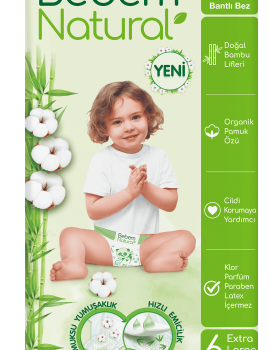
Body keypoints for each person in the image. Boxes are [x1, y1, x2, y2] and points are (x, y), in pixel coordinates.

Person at [50, 81, 195, 281]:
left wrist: (145, 188)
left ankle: (158, 260)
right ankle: (74, 263)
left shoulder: (159, 156)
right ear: (104, 127)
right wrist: (129, 193)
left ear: (148, 116)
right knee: (69, 234)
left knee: (187, 237)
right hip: (104, 243)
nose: (129, 127)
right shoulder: (102, 160)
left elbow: (171, 203)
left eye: (136, 117)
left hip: (145, 245)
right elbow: (93, 210)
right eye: (117, 122)